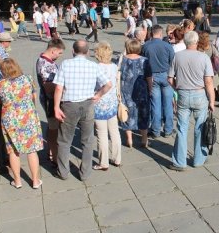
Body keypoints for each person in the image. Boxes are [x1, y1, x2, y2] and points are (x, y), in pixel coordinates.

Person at [53, 39, 112, 180]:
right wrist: (98, 95)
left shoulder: (65, 64)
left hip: (69, 105)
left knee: (64, 141)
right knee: (87, 140)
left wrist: (56, 107)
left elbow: (59, 87)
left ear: (73, 51)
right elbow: (108, 84)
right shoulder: (93, 65)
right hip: (88, 104)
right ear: (87, 52)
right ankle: (85, 173)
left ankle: (63, 172)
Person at [168, 31, 215, 170]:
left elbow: (170, 79)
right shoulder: (204, 57)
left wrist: (177, 88)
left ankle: (179, 162)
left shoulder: (177, 56)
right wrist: (212, 101)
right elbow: (208, 82)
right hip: (199, 94)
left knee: (182, 128)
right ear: (196, 42)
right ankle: (199, 159)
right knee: (200, 127)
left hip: (183, 94)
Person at [0, 58, 43, 188]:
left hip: (9, 120)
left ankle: (17, 181)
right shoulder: (27, 79)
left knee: (13, 151)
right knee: (32, 150)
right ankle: (35, 181)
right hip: (28, 117)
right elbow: (33, 97)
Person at [36, 38, 66, 168]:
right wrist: (64, 86)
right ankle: (54, 157)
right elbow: (48, 86)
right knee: (54, 129)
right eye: (59, 53)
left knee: (52, 127)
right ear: (53, 51)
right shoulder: (44, 64)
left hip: (51, 99)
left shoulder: (47, 61)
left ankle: (50, 151)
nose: (60, 56)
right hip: (50, 100)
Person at [142, 25, 175, 139]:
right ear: (161, 34)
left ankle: (155, 131)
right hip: (166, 75)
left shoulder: (146, 46)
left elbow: (143, 63)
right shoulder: (168, 46)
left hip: (152, 77)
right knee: (168, 104)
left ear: (151, 34)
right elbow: (172, 62)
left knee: (155, 104)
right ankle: (168, 130)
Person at [93, 41, 121, 170]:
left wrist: (97, 95)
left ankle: (103, 162)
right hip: (112, 103)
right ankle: (117, 158)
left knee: (102, 134)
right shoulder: (114, 66)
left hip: (100, 103)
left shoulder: (96, 67)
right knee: (114, 132)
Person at [120, 39, 151, 147]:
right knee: (143, 114)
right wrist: (150, 90)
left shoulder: (122, 60)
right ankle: (144, 139)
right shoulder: (145, 60)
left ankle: (129, 139)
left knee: (126, 113)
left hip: (126, 90)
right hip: (142, 91)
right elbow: (149, 77)